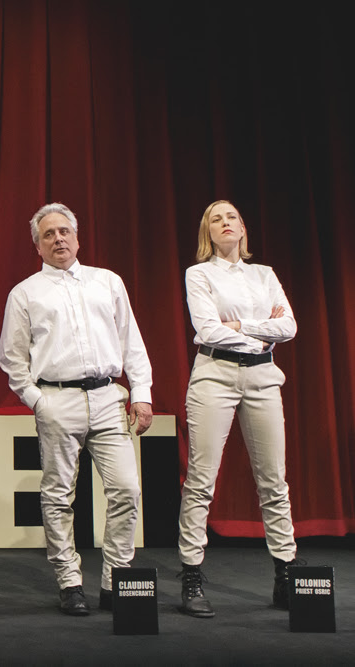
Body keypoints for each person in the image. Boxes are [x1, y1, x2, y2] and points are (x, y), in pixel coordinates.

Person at [0, 202, 153, 616]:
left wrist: (141, 393)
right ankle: (69, 581)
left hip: (107, 397)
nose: (58, 239)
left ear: (77, 238)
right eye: (48, 235)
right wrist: (39, 402)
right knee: (58, 495)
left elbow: (131, 342)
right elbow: (12, 358)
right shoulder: (26, 292)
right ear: (37, 246)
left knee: (127, 489)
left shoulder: (108, 281)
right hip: (57, 399)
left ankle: (116, 578)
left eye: (64, 231)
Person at [175, 200, 300, 618]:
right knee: (201, 479)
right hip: (215, 375)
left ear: (243, 228)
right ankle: (192, 575)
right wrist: (261, 331)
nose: (225, 223)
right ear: (208, 232)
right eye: (216, 219)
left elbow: (289, 327)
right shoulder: (199, 274)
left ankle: (285, 572)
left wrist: (240, 326)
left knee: (274, 481)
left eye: (231, 217)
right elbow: (208, 330)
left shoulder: (264, 274)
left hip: (263, 375)